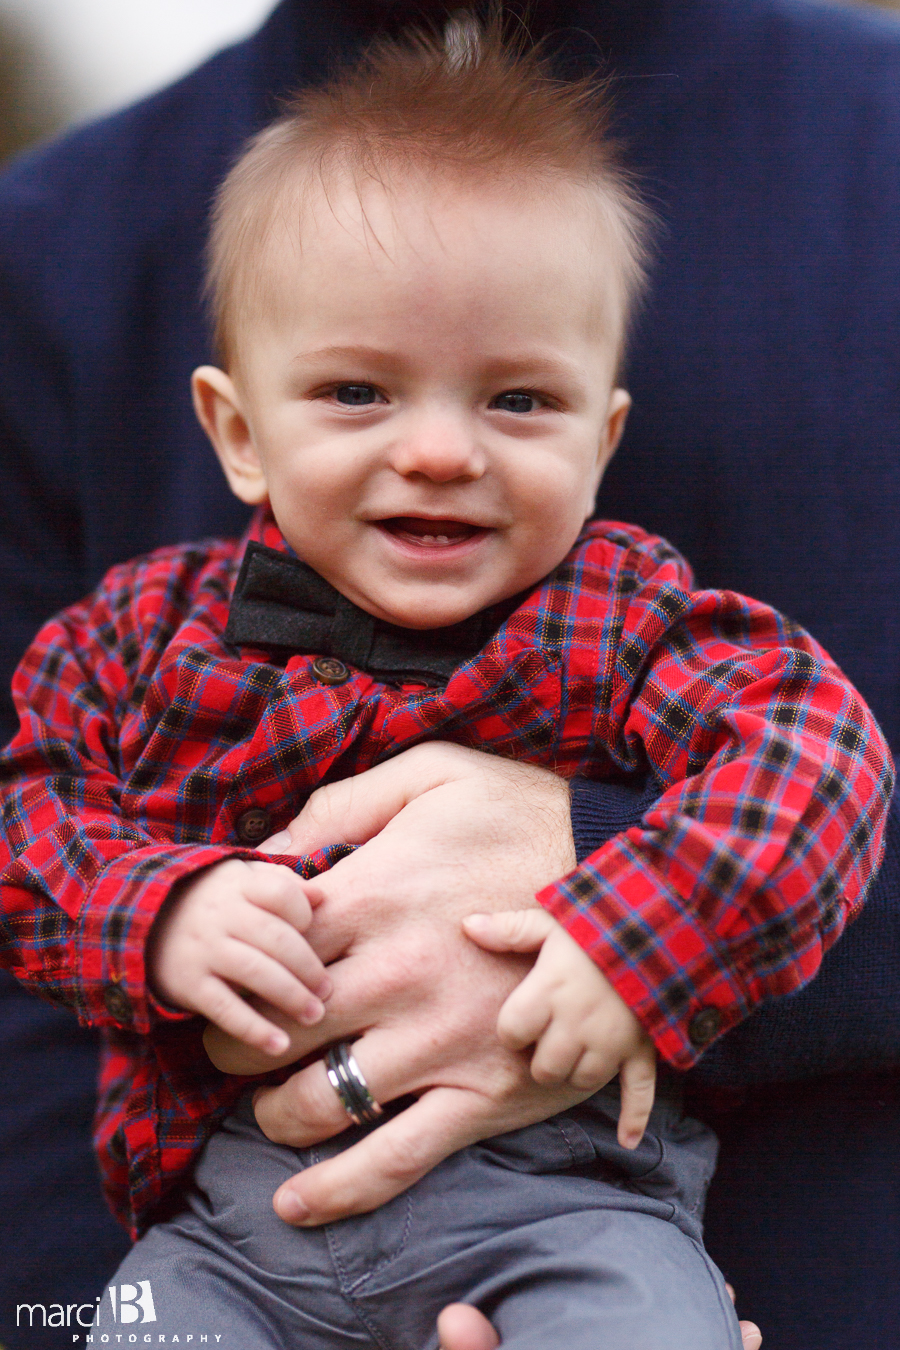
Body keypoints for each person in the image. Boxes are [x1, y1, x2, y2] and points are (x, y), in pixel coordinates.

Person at [1, 3, 899, 1348]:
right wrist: (160, 910)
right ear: (235, 433)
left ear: (605, 439)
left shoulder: (621, 620)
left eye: (517, 402)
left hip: (602, 1222)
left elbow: (813, 749)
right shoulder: (52, 275)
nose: (435, 452)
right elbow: (31, 828)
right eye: (357, 392)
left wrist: (622, 908)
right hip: (226, 1239)